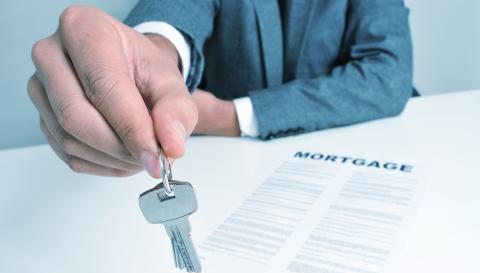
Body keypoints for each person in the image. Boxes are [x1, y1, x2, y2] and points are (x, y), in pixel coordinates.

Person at [27, 0, 413, 178]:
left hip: (371, 152)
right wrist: (151, 54)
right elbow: (174, 11)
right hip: (230, 173)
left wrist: (229, 117)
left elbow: (389, 76)